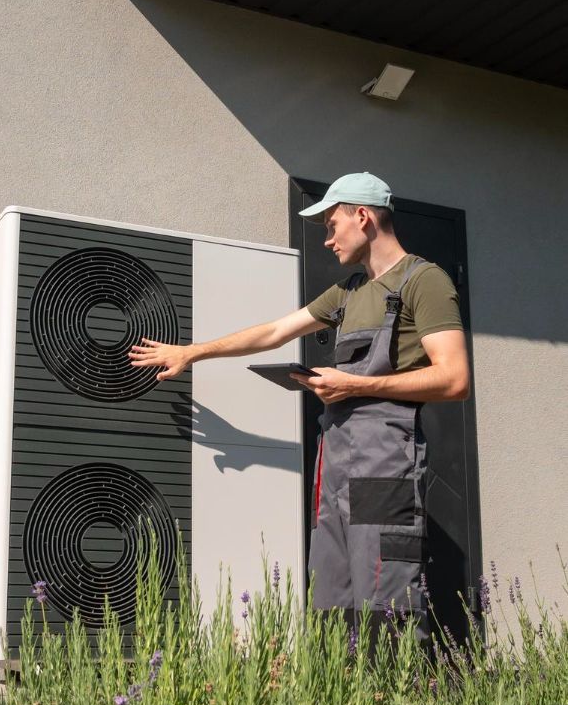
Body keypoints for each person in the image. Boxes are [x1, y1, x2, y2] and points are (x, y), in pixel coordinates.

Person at [126, 171, 470, 641]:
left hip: (385, 462)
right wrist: (191, 352)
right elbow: (272, 332)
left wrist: (353, 385)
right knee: (331, 598)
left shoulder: (423, 281)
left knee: (386, 598)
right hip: (337, 465)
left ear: (363, 217)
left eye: (332, 225)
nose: (327, 239)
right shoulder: (347, 292)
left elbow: (454, 378)